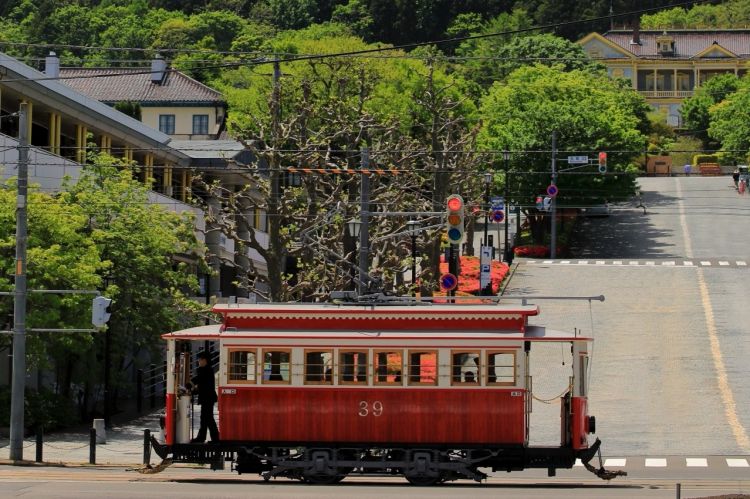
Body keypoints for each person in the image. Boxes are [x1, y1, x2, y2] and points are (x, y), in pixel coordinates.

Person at [190, 351, 219, 443]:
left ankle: (213, 438)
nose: (198, 361)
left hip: (208, 398)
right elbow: (200, 382)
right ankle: (204, 437)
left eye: (200, 359)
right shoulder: (207, 370)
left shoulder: (206, 370)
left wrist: (189, 385)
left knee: (208, 418)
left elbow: (199, 380)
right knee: (205, 418)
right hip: (207, 398)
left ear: (205, 360)